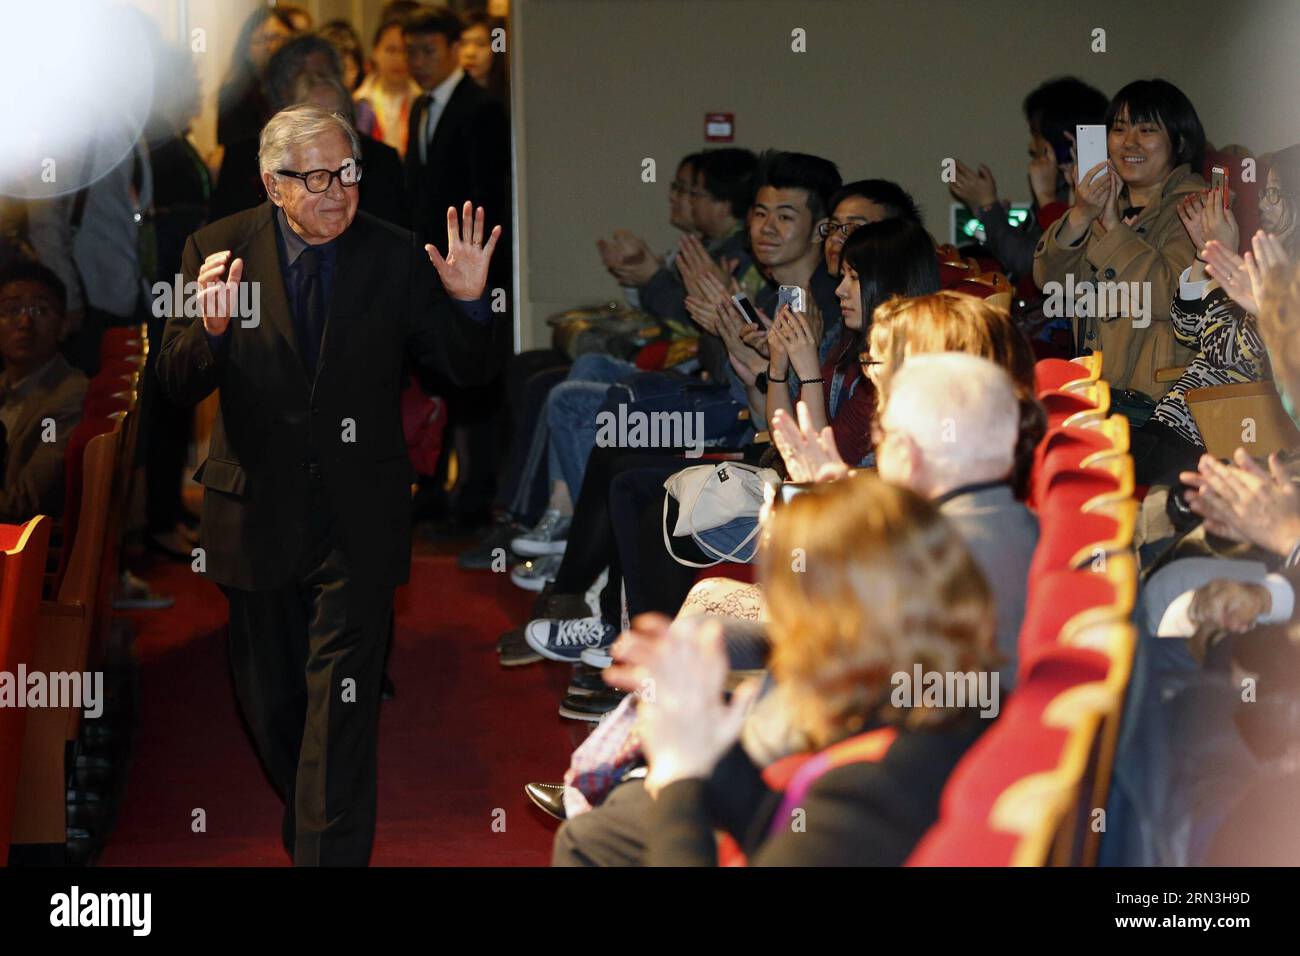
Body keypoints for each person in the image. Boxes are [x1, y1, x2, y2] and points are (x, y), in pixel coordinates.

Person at [155, 105, 501, 866]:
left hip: (361, 512)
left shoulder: (396, 254)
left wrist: (471, 305)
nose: (338, 192)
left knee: (342, 704)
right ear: (271, 184)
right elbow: (173, 383)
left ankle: (324, 852)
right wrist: (208, 334)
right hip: (253, 510)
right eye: (314, 178)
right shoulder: (216, 250)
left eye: (347, 173)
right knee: (276, 703)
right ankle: (314, 815)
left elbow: (465, 374)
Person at [570, 473, 997, 866]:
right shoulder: (938, 697)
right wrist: (712, 748)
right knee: (593, 834)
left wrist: (679, 778)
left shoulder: (874, 790)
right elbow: (774, 823)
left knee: (586, 840)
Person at [1033, 79, 1208, 398]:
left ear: (1180, 142)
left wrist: (1114, 227)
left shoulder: (1198, 207)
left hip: (1157, 404)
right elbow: (1049, 282)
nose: (1129, 142)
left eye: (1147, 130)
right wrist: (1081, 214)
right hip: (1098, 390)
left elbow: (1174, 300)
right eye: (1119, 129)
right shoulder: (1111, 202)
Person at [950, 76, 1108, 280]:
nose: (1031, 146)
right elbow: (1028, 250)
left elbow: (1027, 262)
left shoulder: (1092, 192)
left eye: (1036, 134)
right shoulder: (1060, 186)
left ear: (1062, 139)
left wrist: (989, 205)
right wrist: (986, 214)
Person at [0, 260, 87, 522]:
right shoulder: (5, 384)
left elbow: (26, 504)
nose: (25, 321)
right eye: (12, 309)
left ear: (63, 326)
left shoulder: (68, 396)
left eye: (40, 310)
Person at [216, 7, 296, 148]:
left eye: (276, 37)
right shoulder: (234, 95)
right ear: (246, 49)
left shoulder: (302, 86)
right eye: (260, 40)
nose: (270, 47)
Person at [354, 18, 423, 158]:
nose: (398, 58)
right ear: (375, 52)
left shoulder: (423, 100)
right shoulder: (360, 100)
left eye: (405, 51)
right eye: (391, 50)